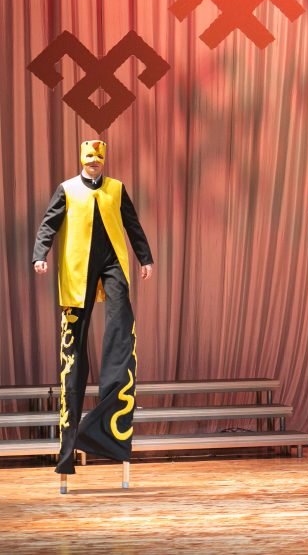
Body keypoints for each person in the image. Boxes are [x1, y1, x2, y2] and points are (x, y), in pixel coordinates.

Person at [32, 140, 153, 489]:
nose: (94, 163)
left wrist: (145, 258)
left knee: (120, 327)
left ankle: (110, 416)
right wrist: (40, 254)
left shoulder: (116, 189)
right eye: (89, 159)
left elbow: (132, 225)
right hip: (78, 268)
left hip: (113, 262)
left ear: (104, 161)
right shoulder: (67, 189)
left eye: (98, 159)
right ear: (82, 161)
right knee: (75, 347)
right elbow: (49, 224)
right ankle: (70, 447)